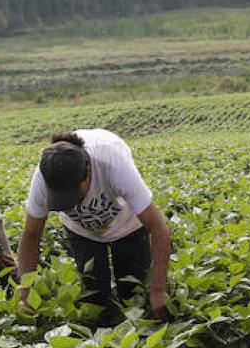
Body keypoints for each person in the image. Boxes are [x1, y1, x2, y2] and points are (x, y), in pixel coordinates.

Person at [18, 130, 171, 323]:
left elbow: (158, 228)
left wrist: (158, 289)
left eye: (74, 195)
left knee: (134, 294)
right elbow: (31, 235)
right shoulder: (45, 177)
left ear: (88, 172)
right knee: (95, 299)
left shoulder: (113, 162)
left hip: (128, 224)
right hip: (82, 232)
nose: (74, 205)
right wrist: (25, 295)